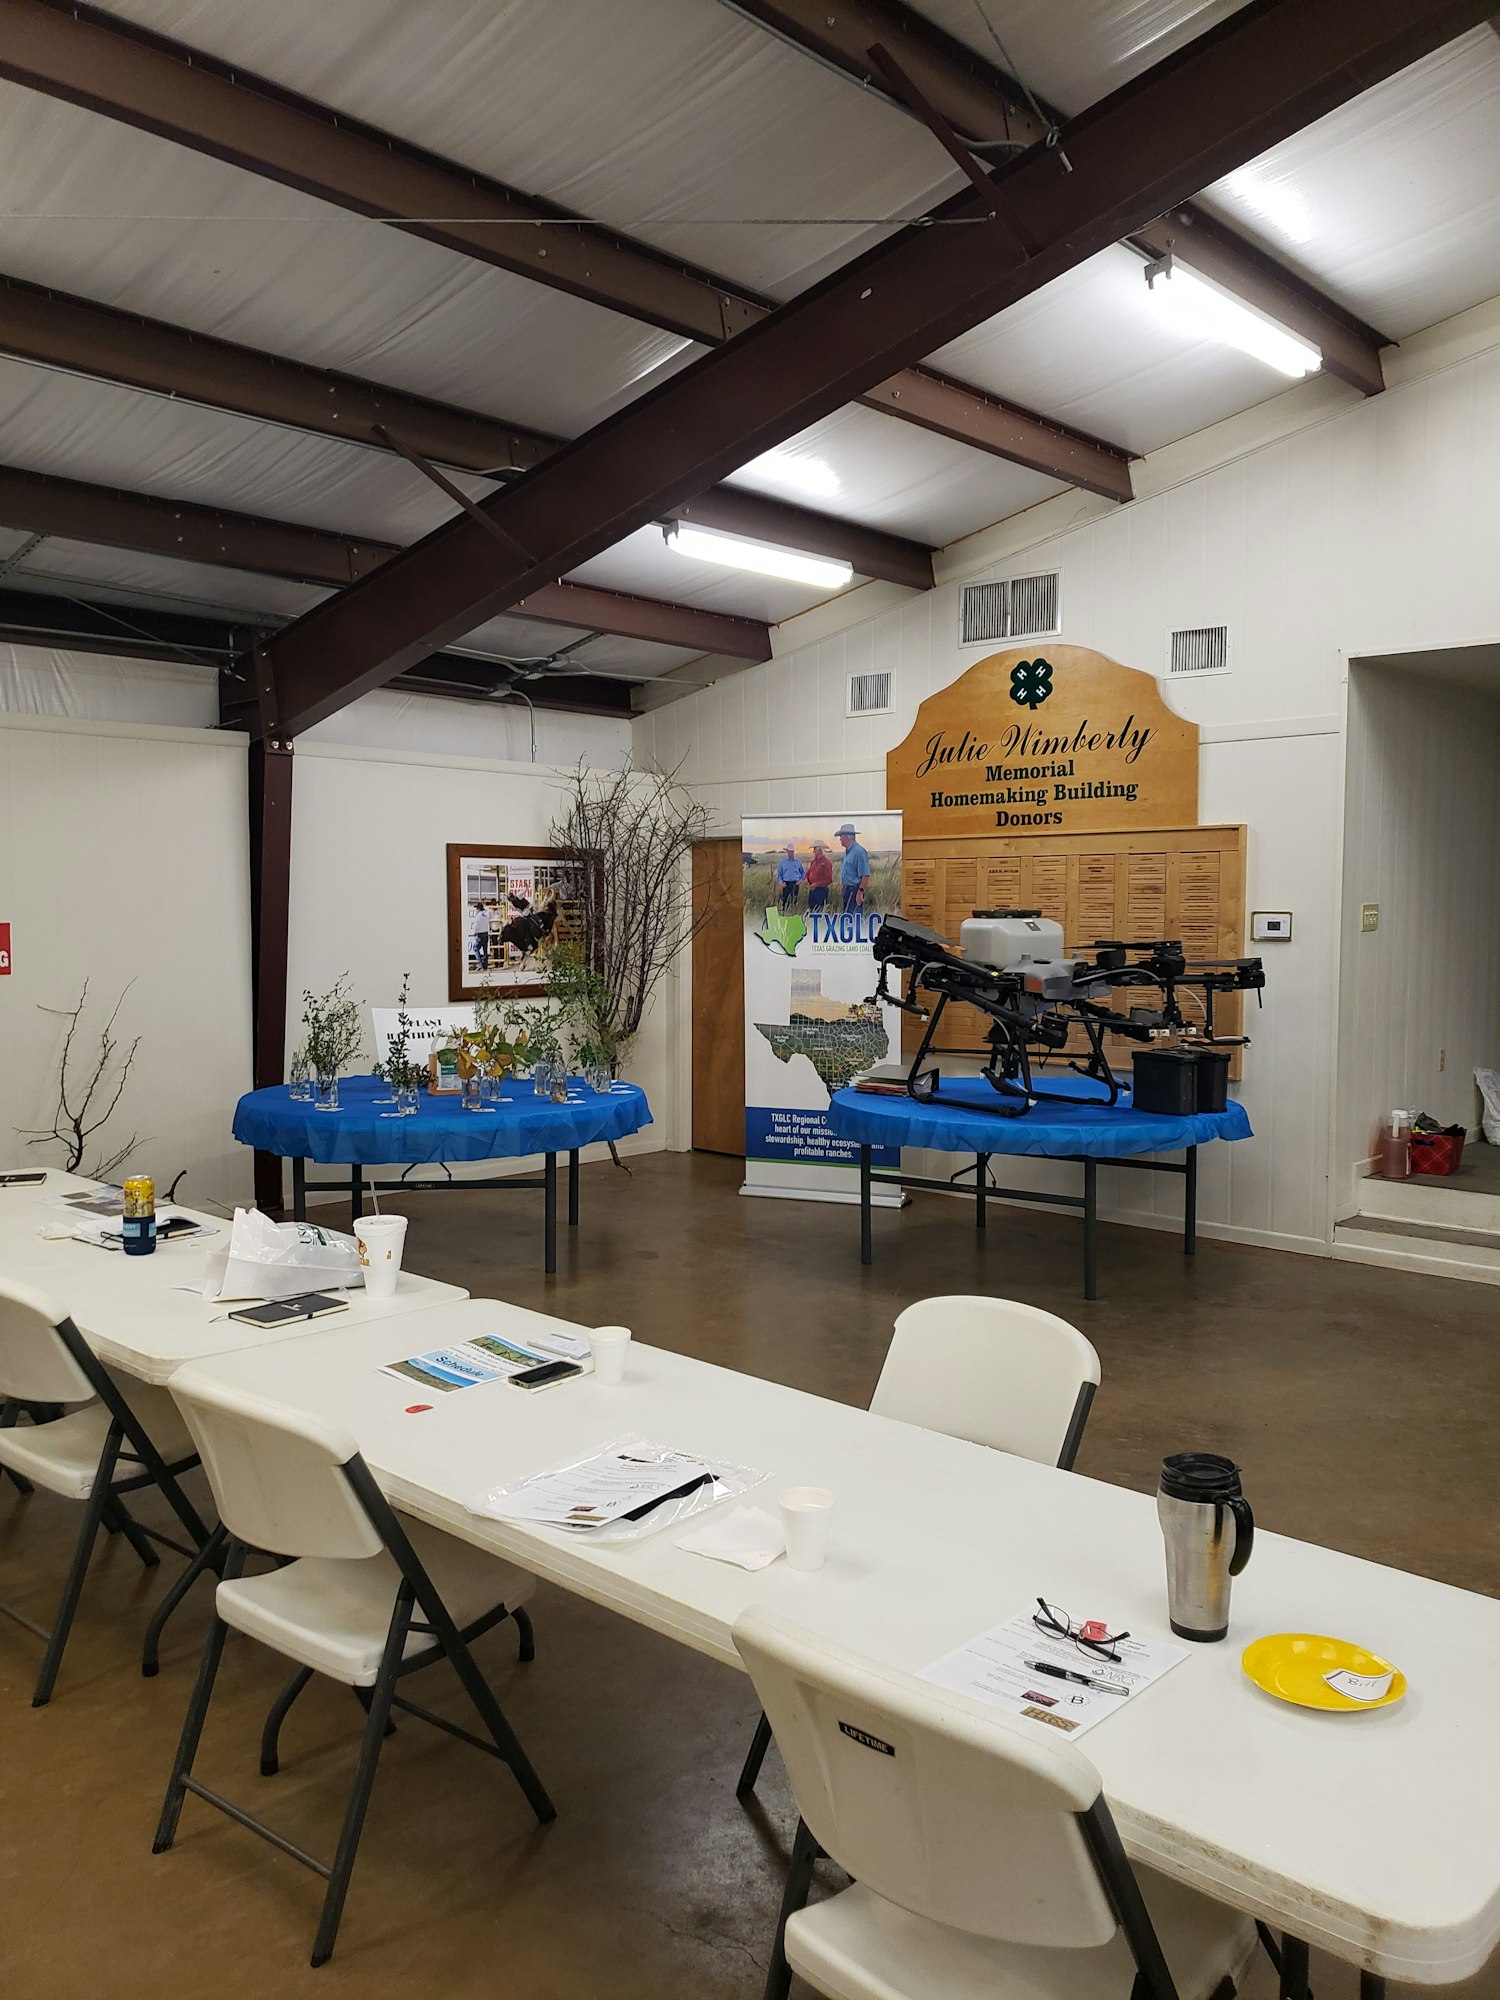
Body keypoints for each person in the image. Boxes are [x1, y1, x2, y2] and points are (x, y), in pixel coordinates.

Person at [836, 821, 871, 912]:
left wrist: (860, 892)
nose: (840, 839)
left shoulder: (859, 852)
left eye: (841, 836)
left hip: (855, 891)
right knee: (848, 920)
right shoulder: (848, 852)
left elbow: (865, 875)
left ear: (848, 837)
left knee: (854, 920)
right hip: (848, 891)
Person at [773, 842, 806, 911]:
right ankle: (785, 913)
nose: (791, 853)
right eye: (790, 852)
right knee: (785, 901)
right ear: (787, 852)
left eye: (792, 852)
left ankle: (793, 913)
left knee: (794, 900)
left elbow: (803, 873)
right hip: (786, 884)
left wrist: (800, 880)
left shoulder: (798, 862)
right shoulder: (782, 862)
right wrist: (781, 882)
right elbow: (779, 874)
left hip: (795, 883)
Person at [806, 840, 833, 913]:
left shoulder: (826, 863)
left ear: (820, 850)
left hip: (821, 891)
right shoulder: (813, 862)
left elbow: (829, 879)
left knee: (820, 911)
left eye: (815, 849)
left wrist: (816, 884)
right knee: (812, 910)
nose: (813, 851)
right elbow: (808, 873)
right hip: (812, 890)